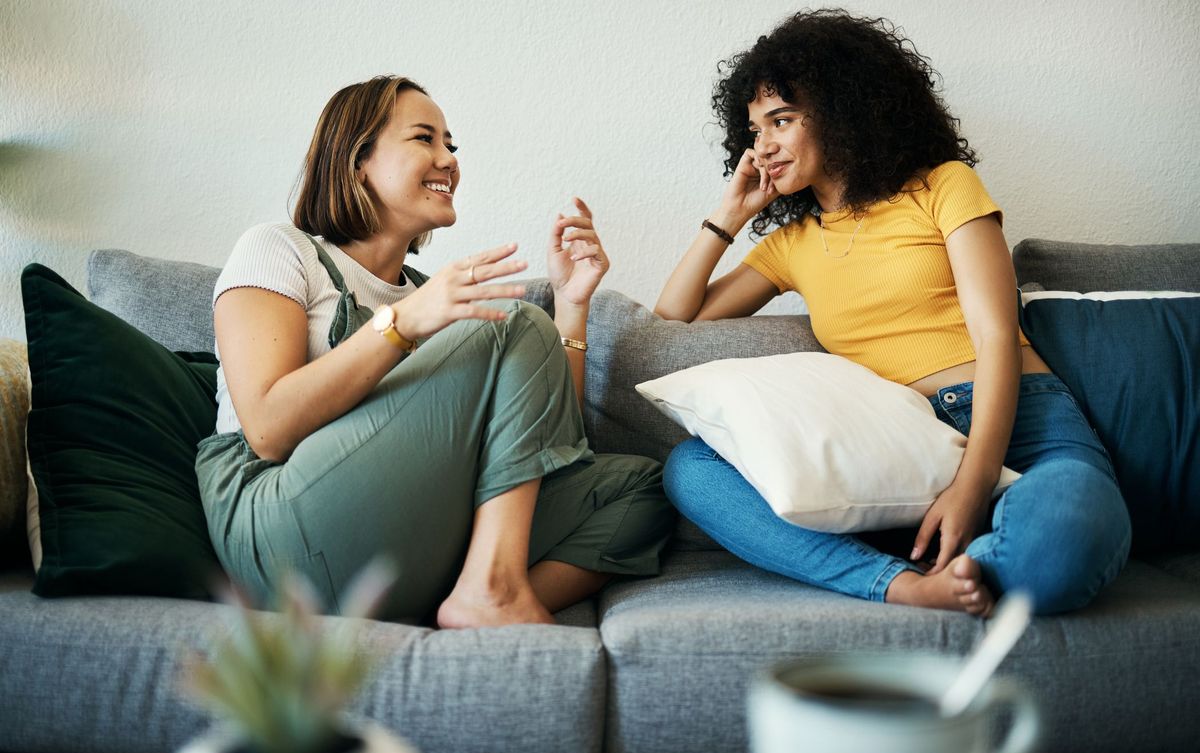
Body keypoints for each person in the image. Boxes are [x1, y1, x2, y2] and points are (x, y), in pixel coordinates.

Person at [654, 10, 1130, 616]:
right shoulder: (793, 244)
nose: (763, 145)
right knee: (692, 468)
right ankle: (904, 584)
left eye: (782, 120)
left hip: (1023, 427)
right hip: (894, 447)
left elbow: (995, 338)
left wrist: (972, 483)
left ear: (843, 109)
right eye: (754, 129)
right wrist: (729, 216)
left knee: (1065, 541)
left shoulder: (943, 188)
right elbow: (674, 319)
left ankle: (978, 556)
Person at [196, 75, 673, 628]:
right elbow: (267, 428)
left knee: (647, 487)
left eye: (451, 144)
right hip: (280, 526)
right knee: (512, 320)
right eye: (425, 138)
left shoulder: (431, 293)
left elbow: (545, 442)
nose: (449, 159)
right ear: (357, 162)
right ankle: (491, 589)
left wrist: (570, 306)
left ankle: (476, 593)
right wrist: (403, 322)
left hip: (405, 536)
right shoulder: (280, 250)